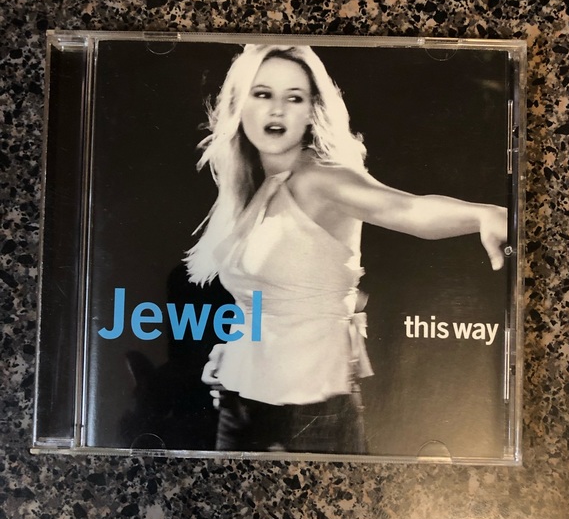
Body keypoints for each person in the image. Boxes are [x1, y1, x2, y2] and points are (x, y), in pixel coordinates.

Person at [184, 44, 507, 454]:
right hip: (239, 406)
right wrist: (234, 351)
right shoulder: (253, 186)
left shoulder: (322, 179)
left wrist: (484, 215)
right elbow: (267, 299)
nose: (277, 110)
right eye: (262, 93)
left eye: (294, 98)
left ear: (311, 110)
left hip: (312, 412)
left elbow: (407, 209)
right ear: (239, 103)